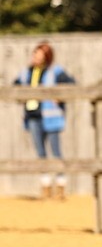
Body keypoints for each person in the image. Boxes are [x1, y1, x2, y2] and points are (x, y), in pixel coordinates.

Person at [13, 42, 75, 199]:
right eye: (34, 54)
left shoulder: (55, 71)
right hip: (33, 116)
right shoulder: (26, 72)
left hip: (51, 117)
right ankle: (45, 187)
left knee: (56, 152)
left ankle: (61, 186)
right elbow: (15, 87)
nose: (35, 57)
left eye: (38, 55)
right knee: (41, 153)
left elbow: (72, 85)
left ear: (46, 57)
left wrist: (60, 97)